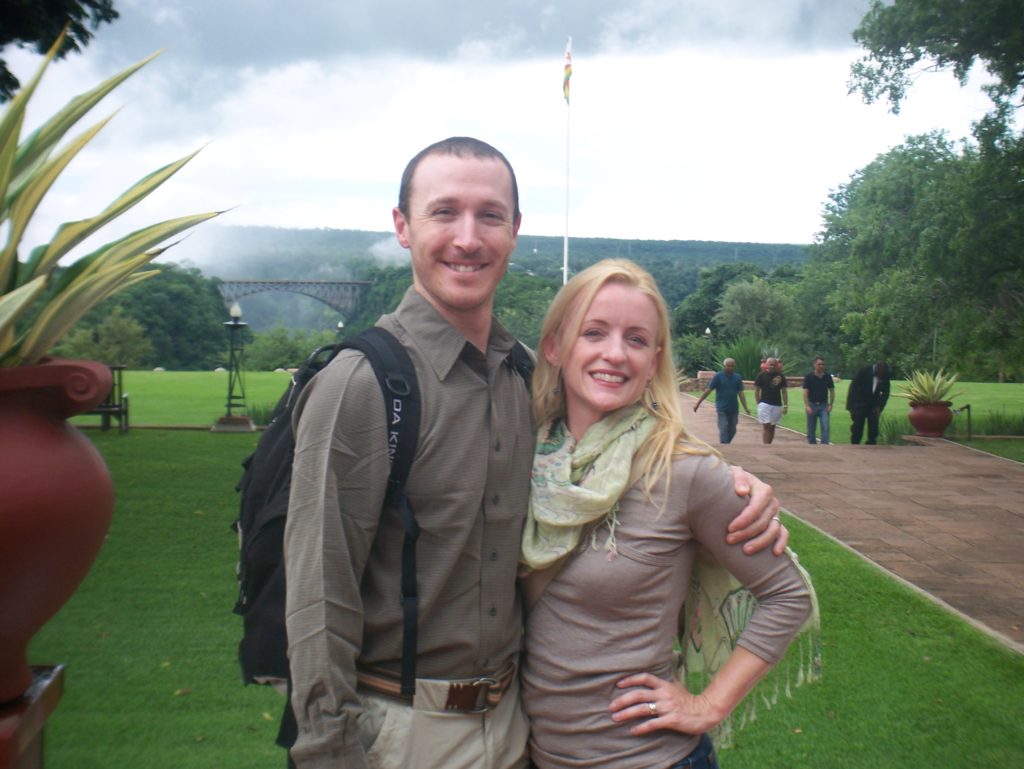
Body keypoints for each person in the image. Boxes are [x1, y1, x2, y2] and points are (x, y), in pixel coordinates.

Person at [284, 137, 789, 769]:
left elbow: (621, 444)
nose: (468, 238)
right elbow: (316, 590)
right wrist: (327, 750)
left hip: (521, 730)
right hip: (405, 731)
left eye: (490, 216)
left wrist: (732, 485)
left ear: (515, 231)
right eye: (443, 212)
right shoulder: (362, 385)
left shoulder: (524, 381)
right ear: (402, 227)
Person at [520, 259, 816, 769]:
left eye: (636, 339)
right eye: (594, 332)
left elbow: (787, 595)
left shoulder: (683, 471)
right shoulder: (525, 457)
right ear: (554, 346)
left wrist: (709, 704)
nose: (615, 353)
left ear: (655, 359)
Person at [692, 357, 750, 444]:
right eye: (729, 366)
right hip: (721, 407)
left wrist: (746, 408)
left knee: (733, 430)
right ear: (724, 366)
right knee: (723, 428)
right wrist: (698, 404)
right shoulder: (718, 377)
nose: (731, 368)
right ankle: (725, 446)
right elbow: (708, 391)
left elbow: (741, 394)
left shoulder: (737, 378)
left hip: (733, 408)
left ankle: (726, 443)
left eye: (732, 366)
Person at [846, 362, 891, 445]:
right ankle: (855, 444)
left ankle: (871, 444)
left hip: (874, 404)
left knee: (874, 427)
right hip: (860, 403)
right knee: (858, 426)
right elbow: (853, 387)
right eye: (878, 375)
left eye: (881, 376)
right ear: (876, 369)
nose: (880, 377)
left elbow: (886, 392)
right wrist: (850, 406)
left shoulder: (884, 374)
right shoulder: (864, 371)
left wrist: (880, 407)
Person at [753, 357, 788, 445]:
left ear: (776, 365)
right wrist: (758, 403)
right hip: (764, 403)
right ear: (766, 365)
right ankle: (766, 446)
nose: (772, 366)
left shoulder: (780, 376)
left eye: (774, 365)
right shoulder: (761, 375)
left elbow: (784, 391)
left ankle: (769, 445)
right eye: (770, 364)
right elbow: (757, 390)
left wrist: (785, 405)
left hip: (776, 404)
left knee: (772, 427)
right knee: (766, 425)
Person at [802, 356, 835, 444]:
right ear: (814, 365)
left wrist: (831, 404)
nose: (821, 366)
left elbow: (832, 391)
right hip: (812, 405)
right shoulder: (809, 377)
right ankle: (813, 447)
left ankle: (824, 446)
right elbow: (805, 392)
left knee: (825, 427)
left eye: (823, 364)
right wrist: (807, 406)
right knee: (811, 430)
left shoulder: (827, 376)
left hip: (824, 405)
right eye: (819, 364)